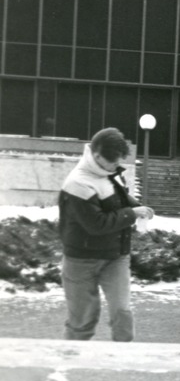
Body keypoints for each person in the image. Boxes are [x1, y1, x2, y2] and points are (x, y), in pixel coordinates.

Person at [58, 127, 154, 341]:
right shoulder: (77, 183)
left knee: (122, 312)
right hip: (80, 261)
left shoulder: (108, 172)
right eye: (113, 162)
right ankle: (68, 366)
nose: (116, 166)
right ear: (97, 155)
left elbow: (118, 198)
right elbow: (96, 224)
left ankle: (122, 363)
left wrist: (138, 207)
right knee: (82, 320)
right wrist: (131, 213)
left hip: (115, 257)